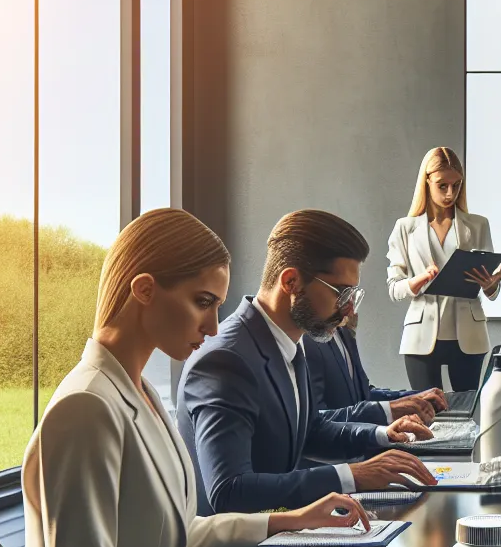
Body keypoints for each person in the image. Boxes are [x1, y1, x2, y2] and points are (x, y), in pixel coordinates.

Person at [4, 209, 375, 547]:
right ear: (144, 289)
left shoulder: (143, 390)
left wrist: (292, 519)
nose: (213, 325)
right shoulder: (86, 405)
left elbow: (177, 532)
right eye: (202, 302)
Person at [179, 209, 436, 515]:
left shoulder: (288, 342)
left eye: (353, 294)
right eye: (341, 293)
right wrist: (351, 476)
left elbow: (309, 429)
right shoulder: (225, 361)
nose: (348, 309)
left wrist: (382, 435)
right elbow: (229, 490)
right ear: (291, 282)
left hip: (277, 540)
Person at [386, 146, 501, 391]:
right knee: (426, 414)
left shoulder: (478, 225)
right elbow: (393, 289)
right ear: (427, 181)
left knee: (467, 412)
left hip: (469, 334)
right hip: (421, 335)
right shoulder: (405, 228)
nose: (450, 193)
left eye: (457, 185)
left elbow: (491, 292)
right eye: (442, 185)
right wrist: (418, 280)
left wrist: (492, 283)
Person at [306, 305, 447, 426]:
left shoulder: (343, 332)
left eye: (353, 293)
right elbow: (317, 422)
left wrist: (415, 397)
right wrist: (388, 412)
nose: (350, 304)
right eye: (342, 291)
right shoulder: (308, 341)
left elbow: (363, 395)